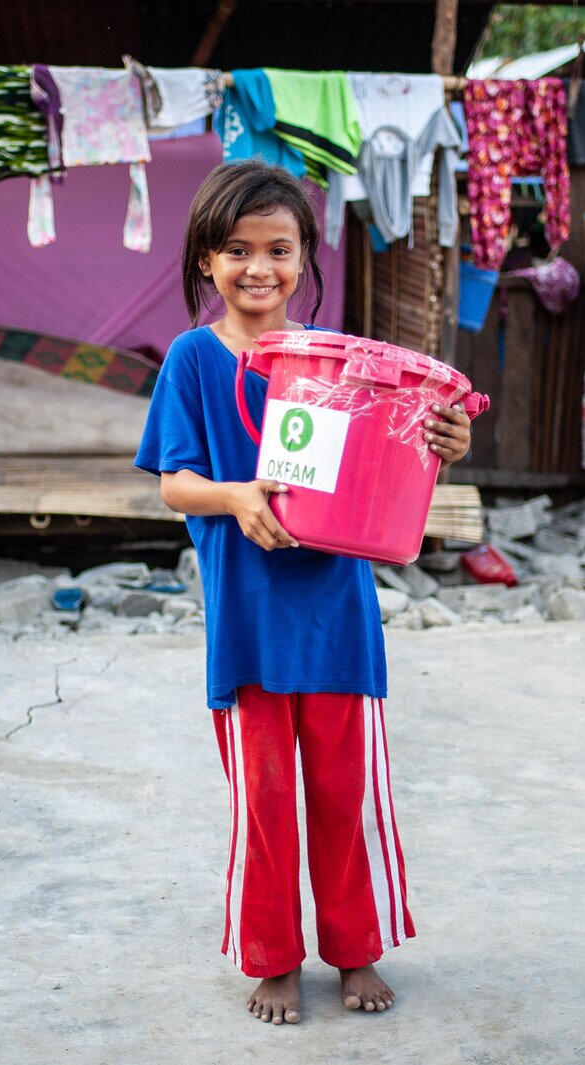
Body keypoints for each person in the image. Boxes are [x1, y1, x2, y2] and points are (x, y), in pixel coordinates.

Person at [134, 160, 473, 1026]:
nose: (259, 268)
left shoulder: (337, 363)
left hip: (336, 620)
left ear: (303, 258)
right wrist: (234, 496)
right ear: (206, 260)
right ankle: (274, 959)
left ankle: (355, 949)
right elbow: (174, 482)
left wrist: (447, 437)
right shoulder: (192, 361)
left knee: (339, 791)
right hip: (248, 626)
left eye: (278, 249)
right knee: (265, 803)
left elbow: (396, 455)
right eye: (237, 249)